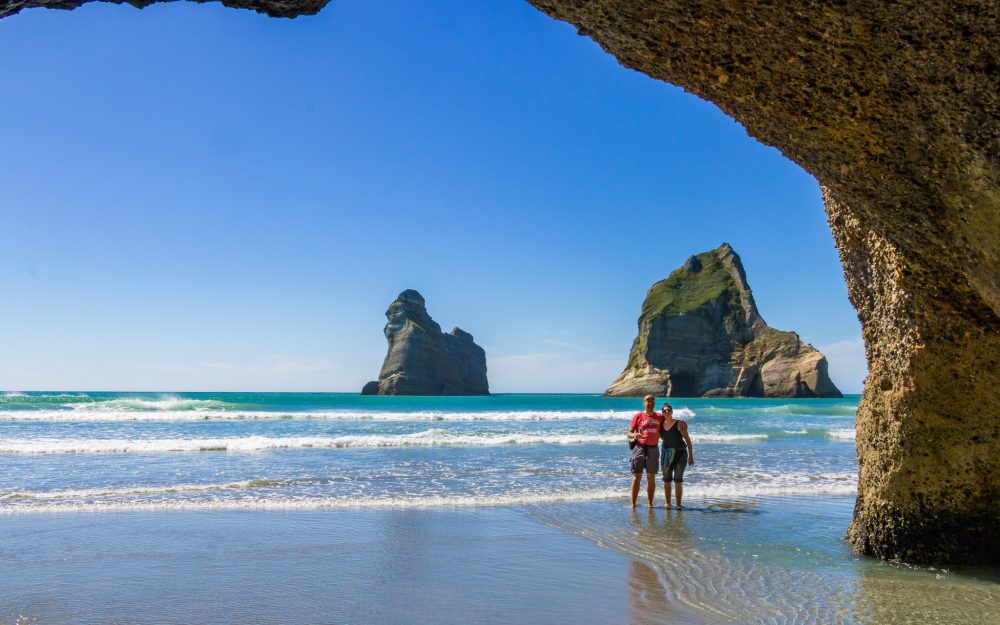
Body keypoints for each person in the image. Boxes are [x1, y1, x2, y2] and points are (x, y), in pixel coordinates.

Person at [627, 395, 665, 508]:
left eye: (652, 401)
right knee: (637, 476)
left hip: (653, 448)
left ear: (654, 403)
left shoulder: (660, 416)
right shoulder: (638, 416)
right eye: (648, 400)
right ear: (644, 403)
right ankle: (633, 504)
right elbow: (629, 433)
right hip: (639, 447)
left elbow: (669, 423)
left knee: (651, 477)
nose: (650, 402)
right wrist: (634, 435)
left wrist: (681, 423)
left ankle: (650, 503)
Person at [659, 403, 693, 509]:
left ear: (672, 412)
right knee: (666, 479)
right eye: (665, 410)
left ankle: (678, 504)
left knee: (678, 479)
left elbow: (687, 440)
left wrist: (691, 455)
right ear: (662, 413)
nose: (667, 412)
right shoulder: (660, 425)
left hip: (680, 454)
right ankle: (668, 503)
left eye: (669, 410)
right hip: (666, 455)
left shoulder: (679, 424)